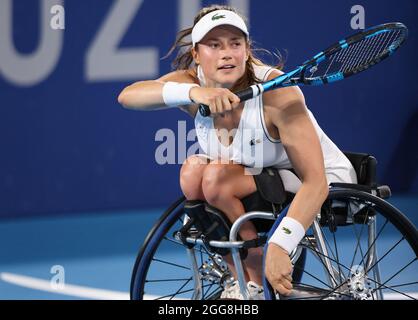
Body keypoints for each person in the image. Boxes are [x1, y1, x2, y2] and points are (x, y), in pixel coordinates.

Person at [118, 5, 357, 300]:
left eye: (235, 43)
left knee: (215, 177)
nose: (226, 53)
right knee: (193, 171)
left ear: (247, 49)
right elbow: (129, 96)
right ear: (196, 54)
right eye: (214, 45)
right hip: (256, 179)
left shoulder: (278, 93)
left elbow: (316, 181)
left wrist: (281, 245)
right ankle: (244, 279)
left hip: (322, 183)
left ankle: (254, 273)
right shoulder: (194, 84)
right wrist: (194, 93)